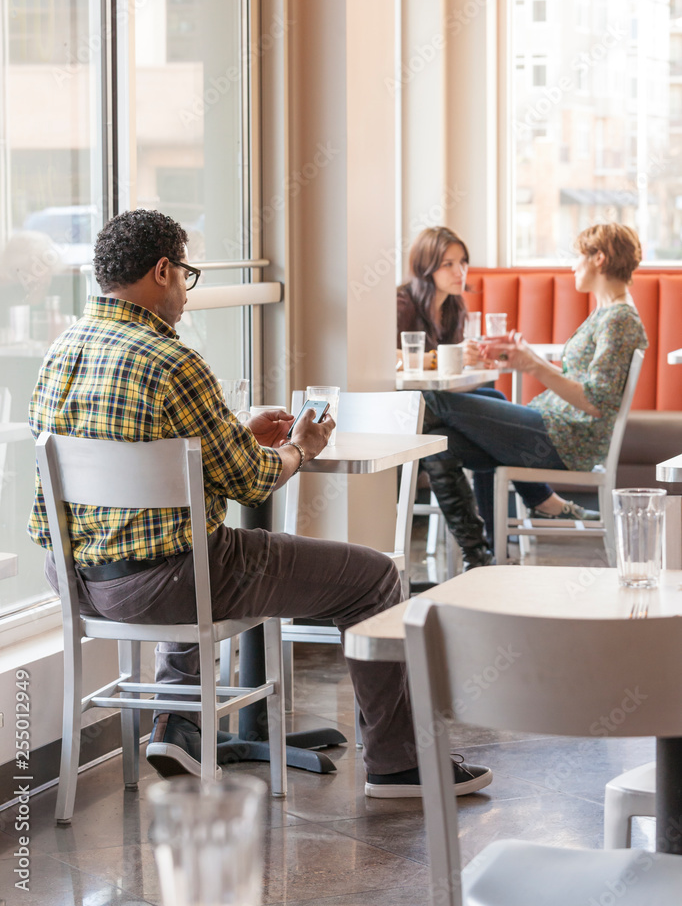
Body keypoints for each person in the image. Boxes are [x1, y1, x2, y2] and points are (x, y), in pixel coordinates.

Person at [27, 208, 492, 799]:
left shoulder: (60, 351)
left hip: (77, 581)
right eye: (186, 277)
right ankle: (398, 763)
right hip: (168, 585)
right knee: (374, 577)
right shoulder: (172, 360)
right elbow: (249, 483)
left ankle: (178, 722)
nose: (186, 295)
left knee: (184, 539)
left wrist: (233, 433)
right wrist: (299, 448)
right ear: (163, 270)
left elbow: (155, 463)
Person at [400, 223, 647, 561]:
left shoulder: (618, 319)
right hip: (556, 428)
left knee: (432, 401)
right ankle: (482, 557)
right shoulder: (607, 314)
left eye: (578, 257)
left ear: (599, 258)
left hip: (565, 437)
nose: (573, 265)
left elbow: (594, 402)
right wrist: (525, 357)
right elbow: (585, 385)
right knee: (441, 443)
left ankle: (389, 440)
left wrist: (531, 365)